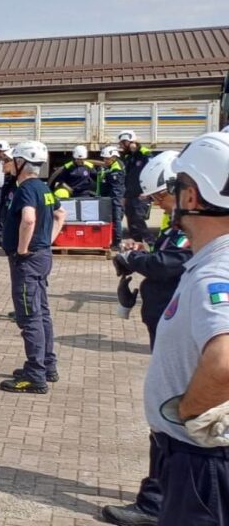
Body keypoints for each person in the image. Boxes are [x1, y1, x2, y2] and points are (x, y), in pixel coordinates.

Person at [141, 132, 229, 525]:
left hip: (201, 463)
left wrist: (188, 411)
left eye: (175, 188)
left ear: (191, 197)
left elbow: (224, 363)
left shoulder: (215, 273)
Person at [101, 151, 190, 526]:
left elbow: (172, 264)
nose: (156, 204)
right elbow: (166, 255)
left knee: (167, 417)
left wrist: (134, 261)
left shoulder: (196, 230)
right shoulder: (178, 225)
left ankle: (155, 503)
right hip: (168, 331)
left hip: (180, 342)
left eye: (159, 197)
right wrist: (144, 251)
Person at [0, 141, 67, 394]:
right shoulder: (44, 188)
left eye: (10, 160)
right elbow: (61, 214)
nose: (7, 165)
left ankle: (35, 375)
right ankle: (48, 365)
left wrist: (22, 249)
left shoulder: (26, 189)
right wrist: (48, 240)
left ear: (21, 163)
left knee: (29, 317)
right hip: (42, 257)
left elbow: (28, 219)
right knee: (42, 312)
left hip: (28, 262)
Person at [119, 130, 155, 243]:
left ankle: (151, 242)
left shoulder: (144, 154)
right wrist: (125, 196)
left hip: (141, 194)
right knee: (132, 222)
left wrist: (148, 192)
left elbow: (152, 172)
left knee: (138, 219)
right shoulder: (129, 157)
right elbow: (128, 177)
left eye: (122, 143)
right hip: (130, 194)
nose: (121, 146)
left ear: (130, 142)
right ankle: (138, 244)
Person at [98, 145, 126, 252]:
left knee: (116, 220)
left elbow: (116, 189)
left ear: (114, 157)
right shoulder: (112, 167)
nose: (105, 161)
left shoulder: (116, 170)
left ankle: (117, 243)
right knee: (115, 220)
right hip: (114, 198)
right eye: (104, 158)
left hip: (115, 199)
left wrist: (112, 202)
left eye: (107, 159)